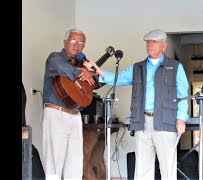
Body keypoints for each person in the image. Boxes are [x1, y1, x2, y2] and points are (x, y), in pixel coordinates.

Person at [83, 29, 189, 179]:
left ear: (163, 46)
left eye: (154, 42)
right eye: (148, 42)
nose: (150, 45)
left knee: (168, 168)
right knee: (142, 168)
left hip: (166, 120)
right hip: (142, 121)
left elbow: (183, 94)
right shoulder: (138, 67)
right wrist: (97, 70)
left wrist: (181, 118)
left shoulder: (175, 67)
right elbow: (117, 79)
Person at [42, 28, 96, 179]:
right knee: (54, 162)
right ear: (65, 42)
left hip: (75, 115)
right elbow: (64, 69)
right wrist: (82, 72)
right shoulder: (54, 58)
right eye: (73, 41)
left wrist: (92, 72)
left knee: (75, 163)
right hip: (56, 113)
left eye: (81, 43)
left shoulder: (82, 64)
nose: (77, 45)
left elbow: (94, 84)